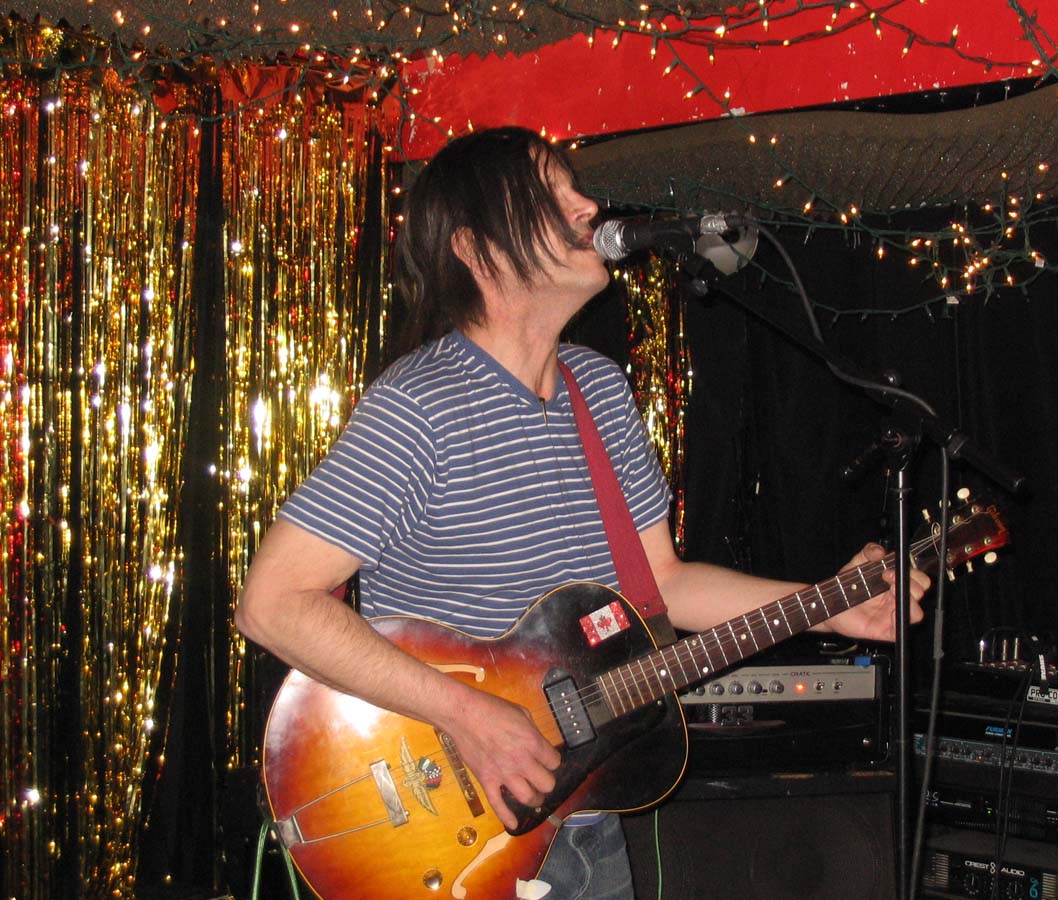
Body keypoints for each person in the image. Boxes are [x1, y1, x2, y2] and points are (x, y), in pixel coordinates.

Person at [236, 125, 929, 899]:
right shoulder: (420, 406)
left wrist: (824, 609)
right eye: (552, 193)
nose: (589, 204)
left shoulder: (599, 391)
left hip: (586, 819)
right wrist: (468, 713)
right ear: (477, 248)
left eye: (577, 189)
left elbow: (663, 582)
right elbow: (272, 604)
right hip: (449, 819)